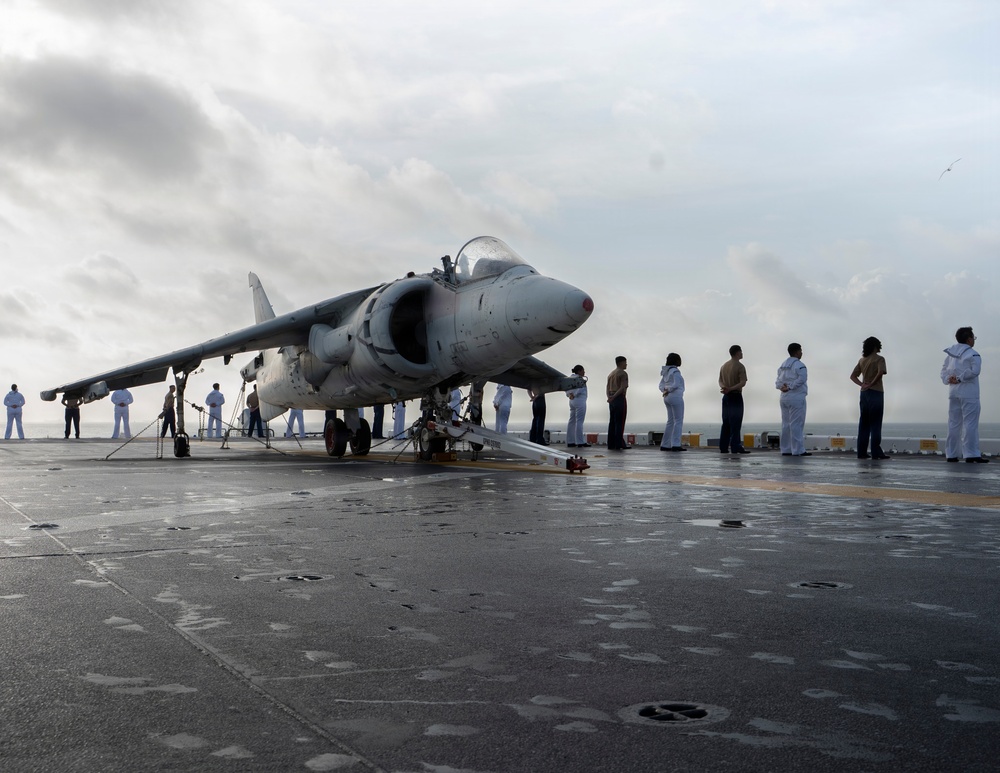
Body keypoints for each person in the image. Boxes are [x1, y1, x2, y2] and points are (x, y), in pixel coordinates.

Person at [941, 327, 988, 463]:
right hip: (969, 393)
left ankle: (951, 454)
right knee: (970, 424)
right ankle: (971, 454)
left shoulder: (950, 355)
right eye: (973, 337)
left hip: (953, 393)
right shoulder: (973, 354)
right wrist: (960, 378)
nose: (974, 340)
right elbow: (975, 371)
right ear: (969, 339)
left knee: (953, 424)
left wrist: (949, 379)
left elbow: (943, 371)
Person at [850, 337, 889, 460]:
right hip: (876, 392)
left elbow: (853, 376)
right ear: (875, 346)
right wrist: (871, 384)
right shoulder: (879, 359)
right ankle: (876, 452)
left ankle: (861, 452)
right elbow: (880, 372)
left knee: (864, 423)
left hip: (864, 394)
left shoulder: (862, 360)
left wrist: (862, 384)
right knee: (875, 423)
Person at [776, 343, 809, 457]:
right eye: (800, 350)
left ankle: (786, 449)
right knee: (796, 424)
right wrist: (790, 387)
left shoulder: (782, 366)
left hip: (784, 397)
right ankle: (798, 450)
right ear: (796, 352)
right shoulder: (799, 365)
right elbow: (802, 379)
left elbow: (778, 381)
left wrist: (782, 387)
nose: (801, 353)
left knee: (786, 424)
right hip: (796, 397)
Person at [719, 345, 749, 454]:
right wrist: (731, 388)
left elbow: (720, 381)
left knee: (726, 422)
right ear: (737, 353)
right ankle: (736, 446)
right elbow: (743, 382)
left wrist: (724, 388)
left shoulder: (724, 366)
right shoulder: (740, 366)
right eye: (741, 352)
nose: (742, 353)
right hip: (735, 396)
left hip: (725, 397)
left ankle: (723, 447)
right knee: (736, 422)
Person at [658, 353, 686, 451]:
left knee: (670, 421)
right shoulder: (675, 371)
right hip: (676, 396)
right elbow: (676, 384)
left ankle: (665, 444)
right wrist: (669, 390)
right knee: (678, 420)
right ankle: (676, 444)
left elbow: (661, 385)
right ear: (676, 361)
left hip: (667, 397)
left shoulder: (666, 372)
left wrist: (664, 390)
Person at [606, 356, 629, 450]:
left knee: (612, 422)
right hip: (619, 398)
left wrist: (609, 397)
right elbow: (622, 388)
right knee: (620, 421)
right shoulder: (623, 373)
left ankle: (611, 444)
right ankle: (619, 443)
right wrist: (614, 396)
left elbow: (607, 387)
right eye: (625, 362)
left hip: (611, 397)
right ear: (621, 362)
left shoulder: (611, 374)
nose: (626, 364)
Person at [566, 365, 589, 448]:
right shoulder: (580, 379)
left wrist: (569, 395)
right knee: (579, 421)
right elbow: (580, 389)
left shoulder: (569, 378)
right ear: (579, 371)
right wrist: (574, 394)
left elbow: (566, 388)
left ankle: (570, 441)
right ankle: (580, 441)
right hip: (580, 401)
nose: (584, 372)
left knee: (572, 421)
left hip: (571, 401)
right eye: (583, 370)